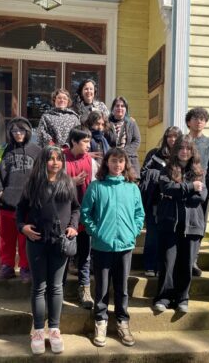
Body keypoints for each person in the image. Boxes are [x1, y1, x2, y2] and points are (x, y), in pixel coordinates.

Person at [17, 146, 80, 354]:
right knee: (39, 287)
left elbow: (75, 209)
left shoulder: (68, 182)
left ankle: (54, 329)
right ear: (43, 162)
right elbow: (20, 211)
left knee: (56, 287)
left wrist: (72, 226)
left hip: (59, 242)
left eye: (58, 159)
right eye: (50, 159)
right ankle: (37, 330)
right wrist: (23, 227)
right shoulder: (33, 184)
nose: (55, 162)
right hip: (36, 242)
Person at [81, 148, 144, 347]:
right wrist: (96, 232)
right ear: (106, 163)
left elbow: (139, 214)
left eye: (121, 161)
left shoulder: (132, 187)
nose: (117, 165)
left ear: (126, 164)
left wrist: (133, 231)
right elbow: (85, 213)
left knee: (122, 288)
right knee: (101, 287)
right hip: (102, 246)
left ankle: (122, 321)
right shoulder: (96, 186)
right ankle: (100, 321)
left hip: (125, 245)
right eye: (113, 161)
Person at [153, 135, 207, 313]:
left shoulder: (199, 171)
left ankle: (182, 298)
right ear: (176, 150)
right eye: (181, 148)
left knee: (186, 263)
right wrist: (191, 187)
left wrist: (179, 191)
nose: (184, 151)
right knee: (168, 263)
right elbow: (166, 188)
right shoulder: (166, 169)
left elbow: (202, 197)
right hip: (170, 223)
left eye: (188, 148)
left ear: (193, 152)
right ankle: (164, 297)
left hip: (192, 224)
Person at [0, 117, 41, 281]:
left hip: (28, 205)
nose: (18, 134)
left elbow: (42, 176)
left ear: (28, 132)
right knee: (6, 238)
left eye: (21, 130)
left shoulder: (37, 152)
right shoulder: (2, 152)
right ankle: (7, 266)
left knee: (25, 238)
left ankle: (26, 267)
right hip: (6, 204)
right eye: (14, 131)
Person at [139, 126, 182, 277]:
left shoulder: (183, 155)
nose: (172, 139)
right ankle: (150, 265)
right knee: (152, 234)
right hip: (155, 200)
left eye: (175, 136)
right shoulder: (154, 154)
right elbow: (144, 173)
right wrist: (162, 175)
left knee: (169, 236)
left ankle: (163, 267)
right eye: (169, 136)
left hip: (173, 202)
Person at [63, 126, 98, 309]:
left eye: (89, 140)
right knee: (64, 254)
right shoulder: (60, 158)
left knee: (85, 255)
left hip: (84, 214)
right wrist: (71, 182)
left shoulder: (91, 162)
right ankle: (57, 290)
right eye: (85, 141)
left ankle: (84, 290)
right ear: (74, 142)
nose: (88, 144)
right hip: (63, 216)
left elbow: (95, 186)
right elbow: (49, 182)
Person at [185, 107, 209, 276]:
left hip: (203, 192)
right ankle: (182, 260)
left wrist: (203, 183)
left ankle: (194, 260)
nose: (199, 121)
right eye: (196, 118)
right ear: (189, 121)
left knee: (199, 226)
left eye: (203, 119)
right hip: (183, 190)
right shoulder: (182, 141)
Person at [108, 96, 141, 178]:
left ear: (126, 109)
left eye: (122, 106)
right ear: (113, 108)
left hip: (130, 160)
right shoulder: (107, 123)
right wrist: (113, 154)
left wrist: (123, 153)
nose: (120, 108)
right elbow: (104, 141)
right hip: (113, 160)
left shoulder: (131, 123)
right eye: (117, 106)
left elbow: (137, 141)